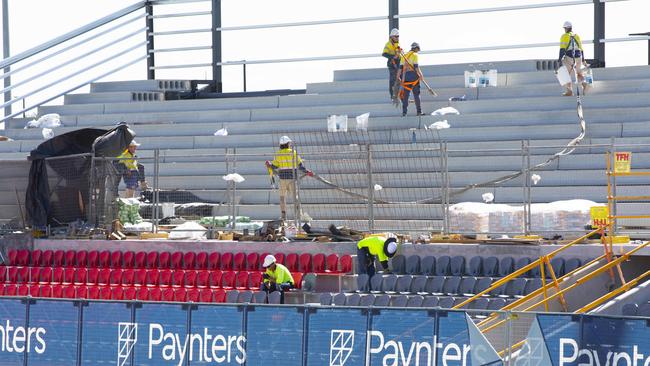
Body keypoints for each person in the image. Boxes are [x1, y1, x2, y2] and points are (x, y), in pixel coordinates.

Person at [265, 136, 313, 221]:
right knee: (295, 198)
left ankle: (283, 216)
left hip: (282, 179)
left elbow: (274, 166)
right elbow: (300, 166)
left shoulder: (278, 154)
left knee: (282, 198)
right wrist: (307, 171)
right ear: (288, 144)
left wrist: (269, 164)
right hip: (292, 179)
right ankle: (299, 215)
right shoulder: (293, 153)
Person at [558, 21, 588, 96]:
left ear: (565, 28)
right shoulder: (576, 36)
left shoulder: (564, 36)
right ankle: (584, 83)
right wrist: (583, 60)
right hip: (579, 57)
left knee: (564, 73)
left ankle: (569, 91)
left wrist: (559, 59)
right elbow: (581, 49)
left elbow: (562, 49)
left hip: (569, 57)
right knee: (579, 73)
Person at [396, 42, 425, 116]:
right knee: (416, 94)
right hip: (414, 76)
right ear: (416, 48)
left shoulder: (404, 56)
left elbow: (400, 68)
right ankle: (419, 111)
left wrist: (398, 76)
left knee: (406, 95)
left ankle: (404, 112)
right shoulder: (415, 55)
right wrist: (421, 75)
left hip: (405, 77)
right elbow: (416, 67)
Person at [382, 28, 401, 100]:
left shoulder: (398, 44)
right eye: (396, 36)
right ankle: (392, 96)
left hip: (398, 63)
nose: (397, 38)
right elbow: (384, 54)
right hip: (392, 64)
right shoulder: (388, 44)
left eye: (398, 36)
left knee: (400, 79)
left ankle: (398, 95)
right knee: (392, 80)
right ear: (392, 37)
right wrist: (393, 56)